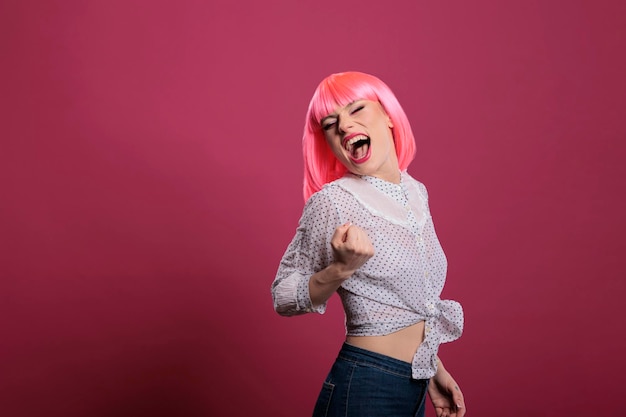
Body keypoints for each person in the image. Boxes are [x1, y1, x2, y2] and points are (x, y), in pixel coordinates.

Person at [271, 71, 465, 417]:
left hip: (415, 385)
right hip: (365, 384)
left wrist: (432, 368)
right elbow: (283, 296)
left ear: (389, 115)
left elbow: (407, 303)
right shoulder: (333, 201)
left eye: (356, 109)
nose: (344, 126)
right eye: (331, 124)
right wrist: (340, 269)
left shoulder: (416, 192)